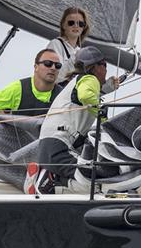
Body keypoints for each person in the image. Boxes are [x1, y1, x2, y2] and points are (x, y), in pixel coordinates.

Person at [24, 46, 120, 194]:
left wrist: (107, 87)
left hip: (49, 144)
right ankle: (48, 179)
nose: (106, 70)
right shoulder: (90, 78)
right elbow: (86, 96)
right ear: (94, 67)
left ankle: (51, 180)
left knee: (88, 177)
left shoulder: (79, 80)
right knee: (91, 175)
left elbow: (86, 94)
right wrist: (102, 114)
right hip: (59, 144)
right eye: (105, 65)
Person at [46, 7, 91, 86]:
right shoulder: (56, 44)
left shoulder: (79, 52)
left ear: (84, 28)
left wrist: (108, 87)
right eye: (71, 23)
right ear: (63, 25)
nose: (76, 26)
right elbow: (52, 77)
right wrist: (75, 58)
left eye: (80, 24)